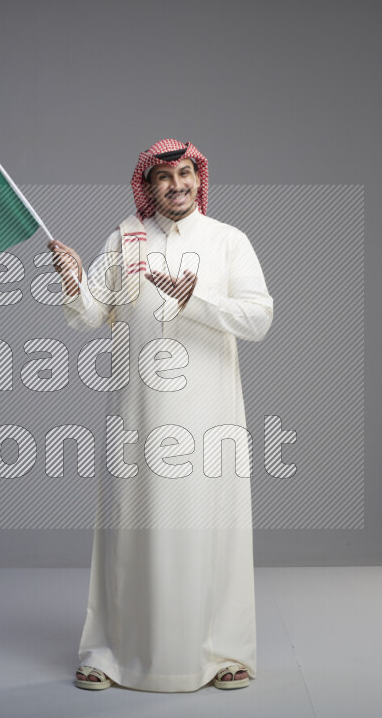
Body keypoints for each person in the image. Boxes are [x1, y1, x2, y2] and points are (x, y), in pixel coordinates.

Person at [49, 139, 273, 692]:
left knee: (209, 526)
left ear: (199, 179)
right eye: (164, 178)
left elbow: (258, 319)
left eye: (185, 175)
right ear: (147, 186)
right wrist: (74, 278)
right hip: (138, 414)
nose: (177, 185)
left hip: (208, 415)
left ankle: (223, 652)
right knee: (132, 528)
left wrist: (197, 300)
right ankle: (111, 651)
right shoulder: (124, 240)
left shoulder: (227, 241)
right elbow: (89, 317)